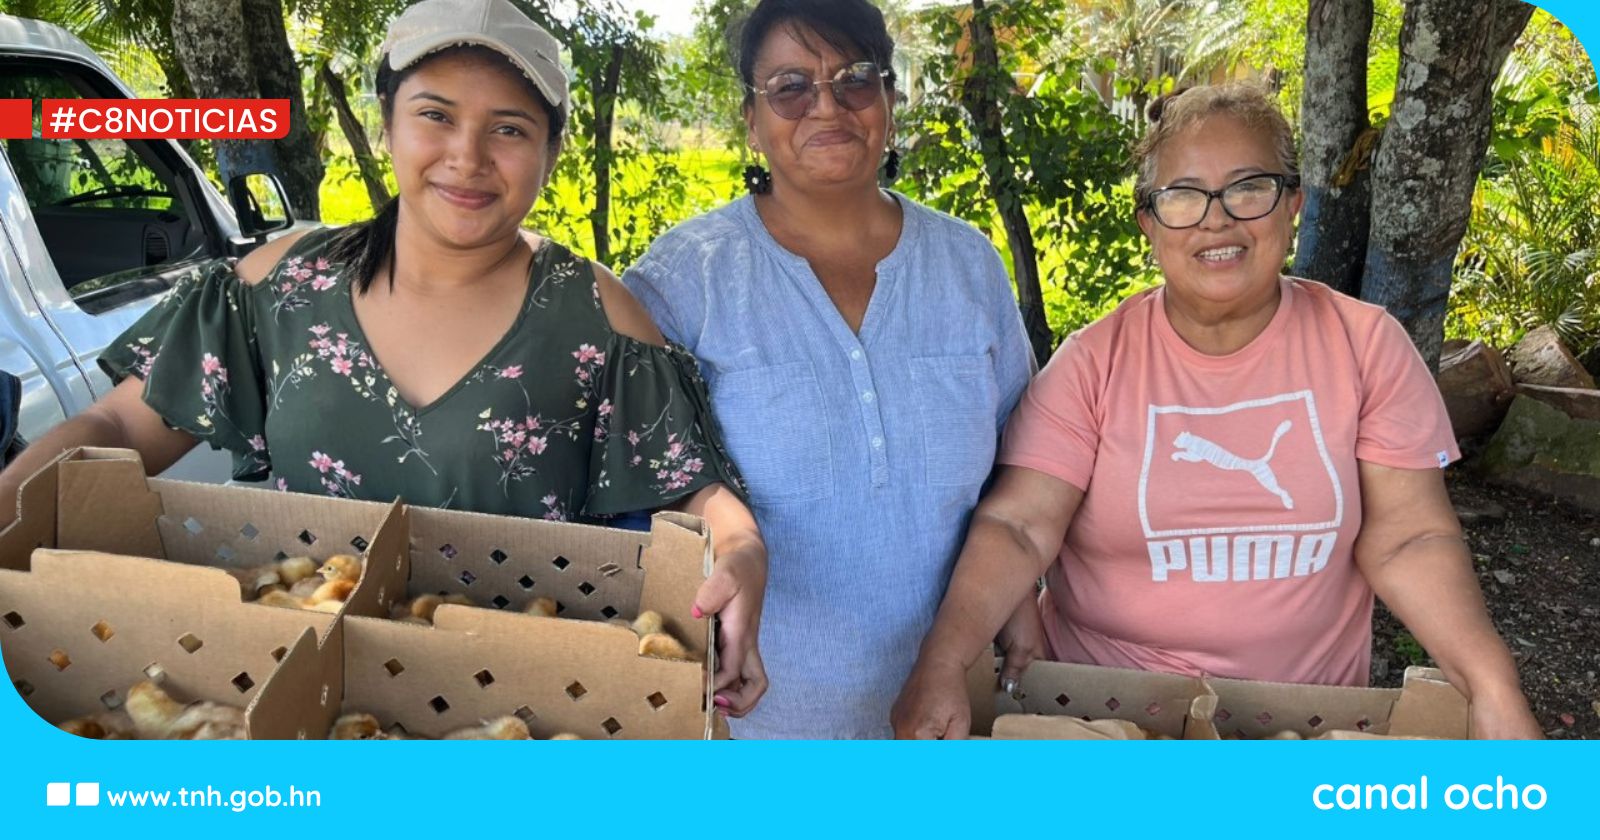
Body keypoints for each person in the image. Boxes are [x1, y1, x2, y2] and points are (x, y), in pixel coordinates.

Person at [0, 0, 768, 717]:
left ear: (550, 150)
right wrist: (9, 501)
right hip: (291, 682)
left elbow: (691, 487)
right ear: (388, 123)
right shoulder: (285, 281)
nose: (466, 157)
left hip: (512, 701)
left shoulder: (591, 311)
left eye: (508, 129)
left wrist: (742, 552)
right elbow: (122, 426)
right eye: (436, 115)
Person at [891, 83, 1543, 739]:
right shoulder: (1095, 361)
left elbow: (1409, 537)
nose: (1216, 218)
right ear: (1149, 222)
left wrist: (1492, 686)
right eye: (1183, 195)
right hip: (1102, 719)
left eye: (1248, 187)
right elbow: (1020, 527)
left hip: (1303, 723)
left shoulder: (1365, 344)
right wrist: (946, 658)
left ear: (1294, 204)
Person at [624, 0, 1035, 738]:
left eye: (854, 79)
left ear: (889, 100)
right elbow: (644, 470)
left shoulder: (967, 265)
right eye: (789, 86)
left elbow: (1025, 462)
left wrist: (1022, 593)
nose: (826, 106)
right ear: (751, 117)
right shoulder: (685, 280)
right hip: (752, 723)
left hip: (949, 707)